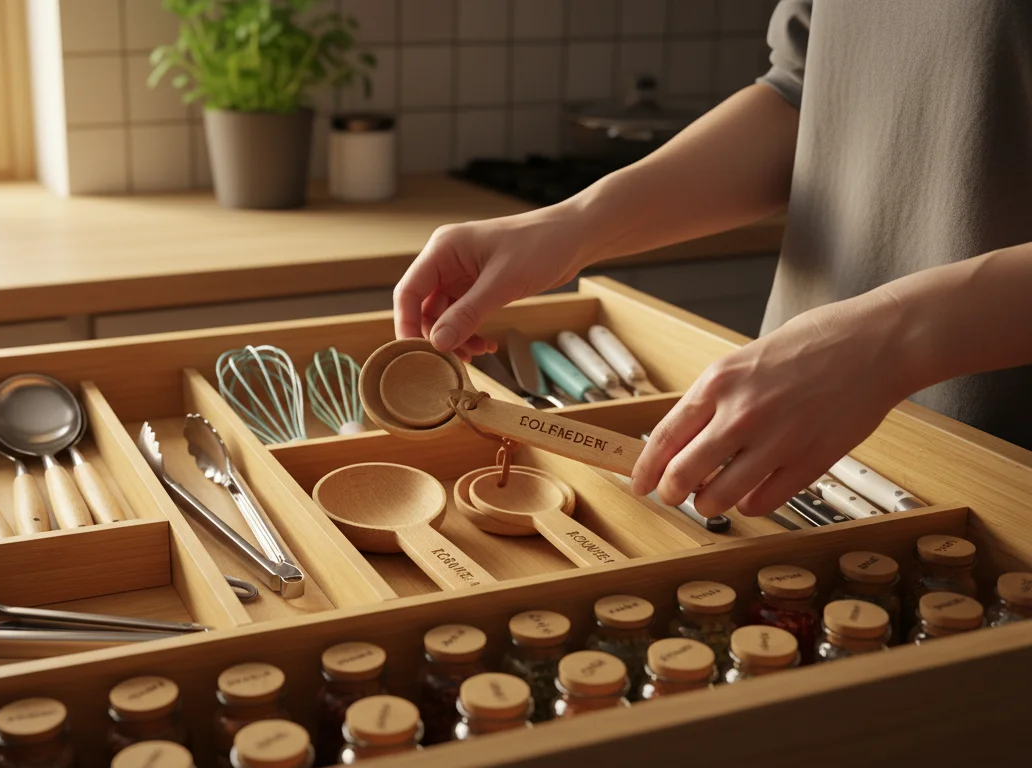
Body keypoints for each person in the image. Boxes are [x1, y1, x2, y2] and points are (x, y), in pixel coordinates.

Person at [392, 0, 1032, 520]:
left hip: (999, 463)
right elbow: (808, 96)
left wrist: (891, 340)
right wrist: (573, 226)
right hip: (794, 432)